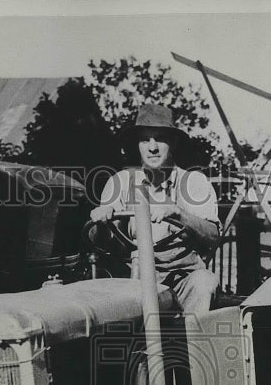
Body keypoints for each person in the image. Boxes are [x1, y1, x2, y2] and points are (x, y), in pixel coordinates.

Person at [89, 104, 221, 314]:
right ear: (137, 145)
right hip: (132, 279)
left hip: (181, 280)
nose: (152, 147)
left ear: (174, 142)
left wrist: (179, 213)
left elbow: (213, 236)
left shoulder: (194, 182)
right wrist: (102, 220)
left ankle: (194, 345)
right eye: (145, 139)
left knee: (204, 282)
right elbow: (99, 242)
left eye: (160, 138)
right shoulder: (121, 182)